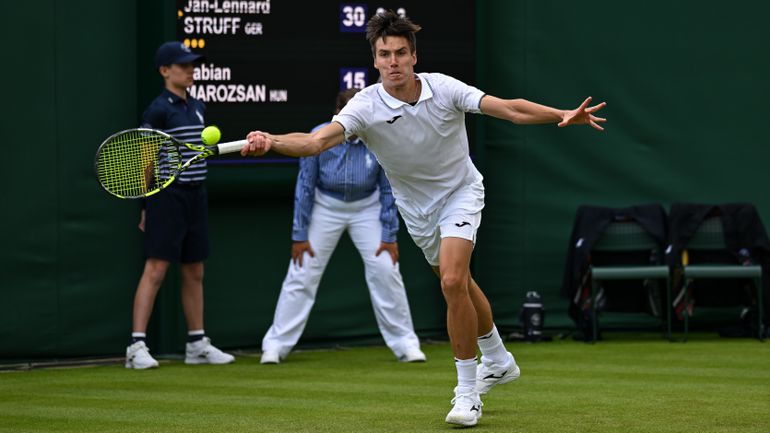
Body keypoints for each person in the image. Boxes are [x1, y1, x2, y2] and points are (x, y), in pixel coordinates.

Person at [240, 11, 606, 427]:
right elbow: (314, 142)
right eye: (384, 54)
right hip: (415, 209)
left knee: (451, 280)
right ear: (375, 61)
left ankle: (467, 393)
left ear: (414, 56)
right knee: (460, 284)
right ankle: (499, 360)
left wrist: (560, 113)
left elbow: (509, 109)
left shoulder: (444, 88)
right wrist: (271, 140)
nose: (393, 61)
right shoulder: (364, 106)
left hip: (460, 193)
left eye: (400, 53)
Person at [260, 89, 426, 365]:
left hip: (367, 207)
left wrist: (389, 235)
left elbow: (388, 189)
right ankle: (275, 345)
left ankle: (405, 343)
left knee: (386, 268)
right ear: (338, 114)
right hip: (325, 206)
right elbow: (305, 186)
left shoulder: (379, 137)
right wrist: (300, 234)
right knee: (302, 271)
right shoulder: (319, 135)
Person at [124, 41, 235, 369]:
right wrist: (146, 205)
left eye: (192, 65)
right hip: (166, 196)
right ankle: (136, 346)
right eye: (183, 66)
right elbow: (146, 161)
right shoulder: (158, 110)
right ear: (164, 71)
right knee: (156, 268)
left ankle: (196, 344)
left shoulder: (197, 106)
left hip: (195, 195)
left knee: (194, 269)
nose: (190, 70)